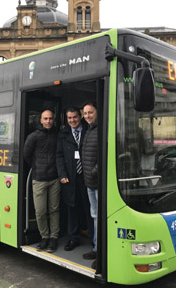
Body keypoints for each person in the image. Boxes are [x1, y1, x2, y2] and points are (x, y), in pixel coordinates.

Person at [56, 107, 94, 252]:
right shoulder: (63, 134)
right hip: (70, 178)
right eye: (69, 118)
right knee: (72, 209)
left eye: (75, 117)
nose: (72, 120)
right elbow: (59, 156)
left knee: (90, 209)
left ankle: (93, 238)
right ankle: (74, 238)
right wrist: (62, 175)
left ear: (80, 117)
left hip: (87, 177)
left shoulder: (88, 131)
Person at [23, 109, 60, 253]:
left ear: (53, 119)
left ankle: (54, 238)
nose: (48, 121)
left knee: (54, 210)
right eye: (46, 118)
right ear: (41, 120)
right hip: (39, 179)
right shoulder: (33, 136)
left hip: (55, 179)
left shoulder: (57, 135)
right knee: (40, 211)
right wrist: (36, 166)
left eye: (50, 118)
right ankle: (44, 236)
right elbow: (26, 155)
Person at [81, 101, 98, 269]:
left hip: (98, 183)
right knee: (94, 217)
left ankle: (100, 251)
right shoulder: (88, 130)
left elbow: (104, 155)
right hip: (89, 183)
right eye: (85, 113)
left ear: (97, 112)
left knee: (99, 217)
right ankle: (95, 248)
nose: (87, 116)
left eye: (90, 112)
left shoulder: (100, 129)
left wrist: (94, 171)